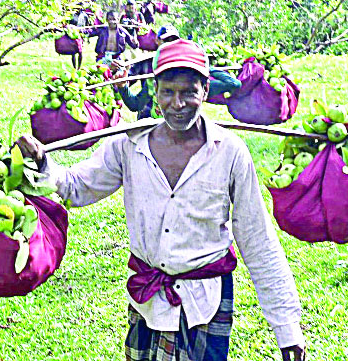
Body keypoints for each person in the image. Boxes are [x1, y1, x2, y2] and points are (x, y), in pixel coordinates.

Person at [16, 39, 306, 361]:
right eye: (168, 92)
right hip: (148, 301)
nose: (177, 104)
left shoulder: (229, 151)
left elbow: (257, 239)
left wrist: (287, 328)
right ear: (155, 92)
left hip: (204, 304)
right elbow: (77, 186)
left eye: (188, 92)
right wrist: (43, 165)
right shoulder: (128, 145)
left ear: (206, 91)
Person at [117, 25, 241, 119]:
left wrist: (207, 69)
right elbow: (135, 105)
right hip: (153, 128)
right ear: (157, 41)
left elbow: (233, 84)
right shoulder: (151, 77)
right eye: (166, 41)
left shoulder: (193, 79)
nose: (177, 104)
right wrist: (123, 87)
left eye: (174, 41)